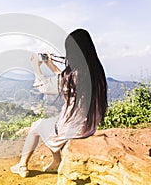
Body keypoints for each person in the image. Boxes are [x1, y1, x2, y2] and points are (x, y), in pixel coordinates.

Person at [10, 29, 108, 177]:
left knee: (37, 126)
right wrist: (50, 64)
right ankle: (56, 162)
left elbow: (43, 87)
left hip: (74, 129)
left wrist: (35, 66)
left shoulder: (73, 76)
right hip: (90, 127)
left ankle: (22, 165)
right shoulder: (95, 72)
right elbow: (67, 81)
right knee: (52, 124)